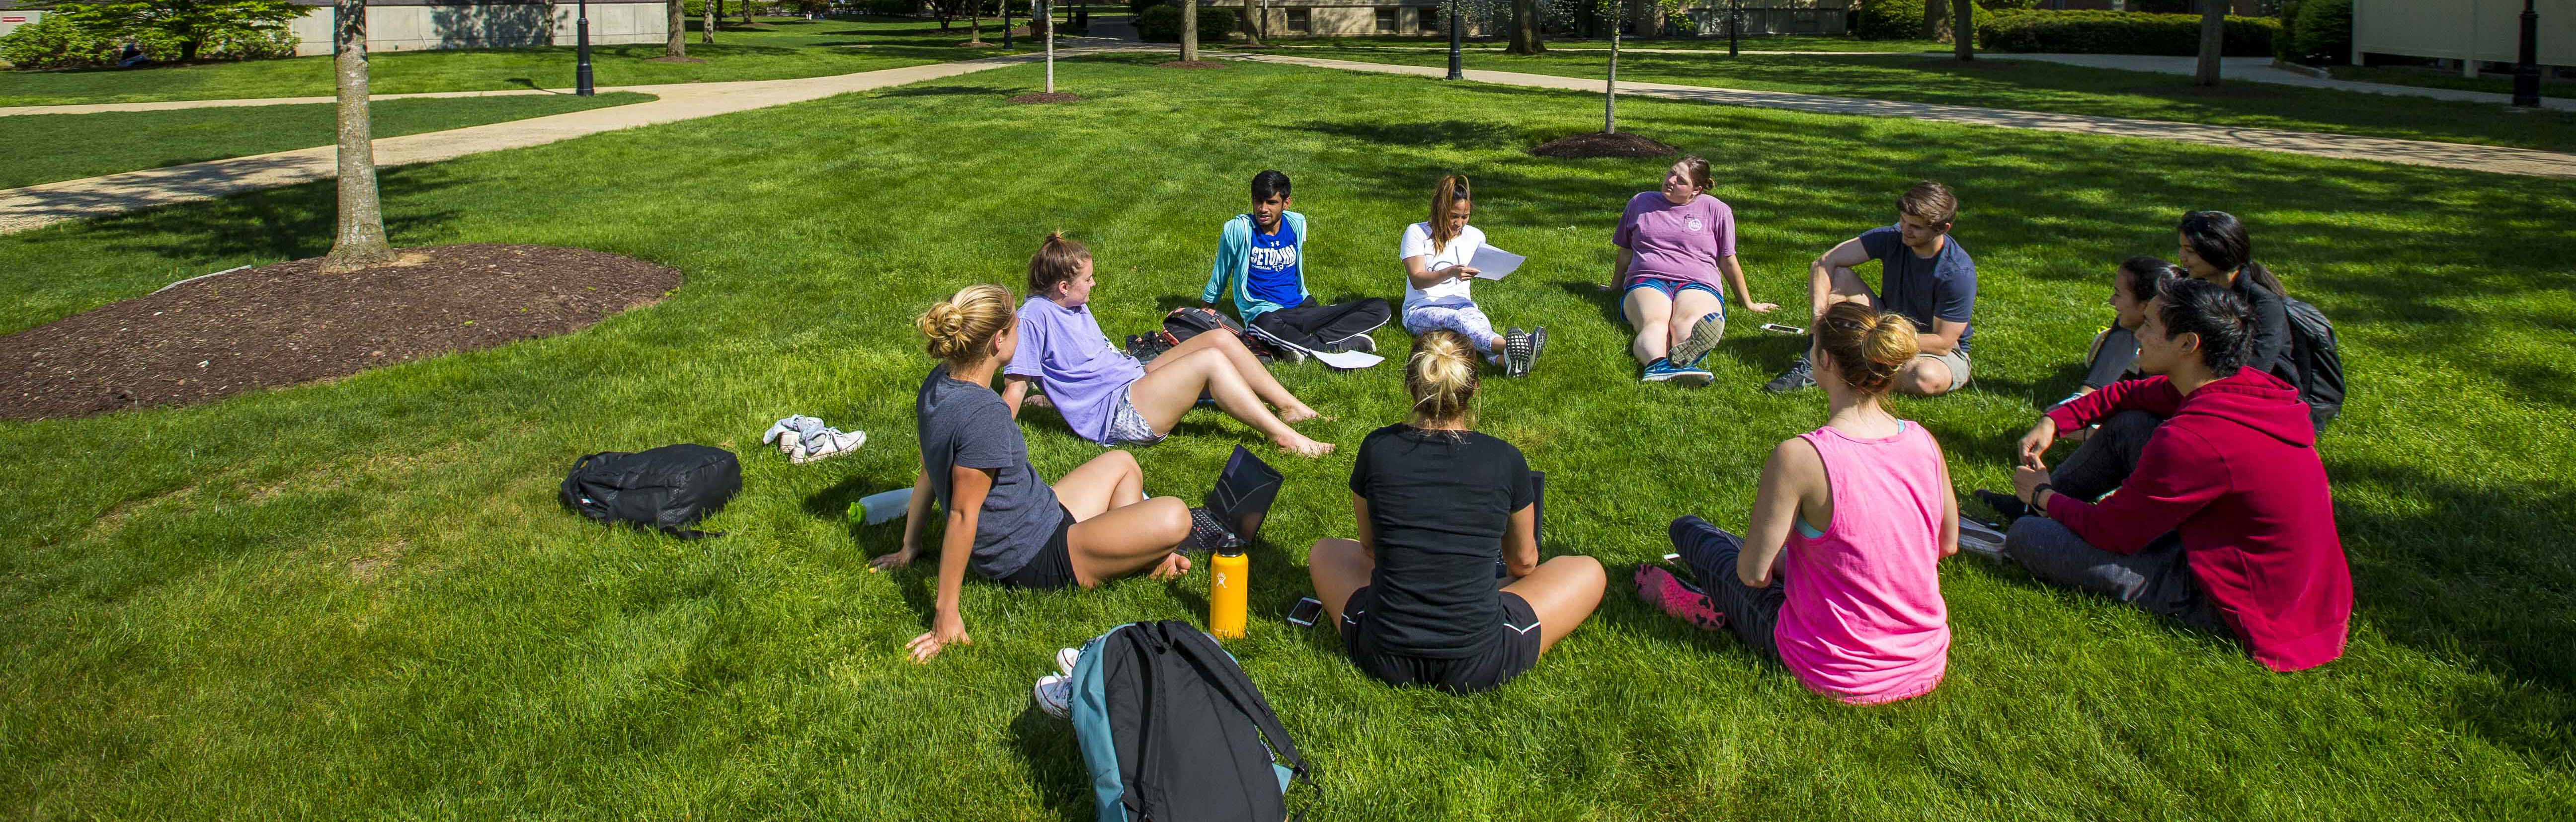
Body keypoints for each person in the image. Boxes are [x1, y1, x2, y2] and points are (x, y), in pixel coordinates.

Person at [1989, 277, 2351, 672]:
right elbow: (2129, 395)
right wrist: (2056, 420)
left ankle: (2033, 512)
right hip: (2294, 588)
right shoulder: (2240, 386)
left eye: (2150, 326)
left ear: (2188, 344)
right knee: (2130, 425)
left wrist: (2045, 496)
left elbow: (2112, 532)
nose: (2137, 334)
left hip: (2237, 601)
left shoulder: (2194, 438)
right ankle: (2037, 509)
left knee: (2028, 538)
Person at [1639, 302, 1957, 705]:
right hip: (1924, 660)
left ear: (1824, 360)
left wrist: (1777, 564)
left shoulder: (1801, 457)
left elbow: (1754, 575)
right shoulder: (1923, 441)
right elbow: (1946, 543)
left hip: (1831, 665)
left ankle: (1703, 600)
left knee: (1691, 533)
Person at [875, 284, 1199, 663]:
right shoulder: (985, 416)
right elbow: (963, 515)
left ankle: (1141, 555)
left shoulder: (938, 383)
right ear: (999, 341)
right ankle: (1141, 555)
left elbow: (929, 470)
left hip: (1041, 512)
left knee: (1122, 464)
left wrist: (910, 547)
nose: (1022, 332)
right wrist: (946, 615)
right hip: (1032, 557)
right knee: (1176, 516)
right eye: (1017, 327)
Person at [1304, 331, 1607, 693]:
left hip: (1383, 654)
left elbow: (1369, 548)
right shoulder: (1505, 459)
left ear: (1411, 385)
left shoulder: (1377, 448)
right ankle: (1477, 595)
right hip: (1480, 661)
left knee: (1325, 551)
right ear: (1474, 389)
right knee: (1589, 570)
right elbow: (1525, 563)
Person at [1006, 233, 1334, 458]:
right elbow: (1016, 386)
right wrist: (995, 446)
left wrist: (1054, 400)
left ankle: (1291, 407)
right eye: (1088, 279)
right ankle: (1284, 438)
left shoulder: (1071, 304)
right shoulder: (1034, 318)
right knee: (1210, 362)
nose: (1094, 283)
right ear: (1064, 286)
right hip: (1120, 413)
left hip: (1133, 379)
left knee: (1220, 338)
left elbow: (1073, 367)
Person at [1766, 180, 1975, 396]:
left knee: (1925, 378)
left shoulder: (1956, 273)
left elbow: (1942, 343)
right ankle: (1822, 354)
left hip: (1932, 351)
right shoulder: (1893, 237)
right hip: (1885, 322)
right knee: (1837, 276)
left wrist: (1874, 338)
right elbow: (1824, 263)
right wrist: (1819, 316)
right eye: (1903, 220)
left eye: (1916, 227)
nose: (1905, 230)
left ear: (1943, 229)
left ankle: (1841, 360)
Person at [1611, 156, 1776, 386]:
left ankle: (1683, 354)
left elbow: (1728, 261)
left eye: (1681, 181)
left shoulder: (1717, 210)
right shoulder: (1641, 202)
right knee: (1654, 323)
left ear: (1696, 190)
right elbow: (1626, 252)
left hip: (1698, 282)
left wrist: (1747, 303)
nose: (1671, 181)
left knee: (1687, 324)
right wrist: (1615, 287)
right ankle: (1657, 364)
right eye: (1671, 173)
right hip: (1649, 279)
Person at [1203, 169, 1393, 358]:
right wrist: (1203, 314)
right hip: (1269, 314)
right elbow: (1220, 275)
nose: (1263, 209)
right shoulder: (1238, 230)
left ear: (1286, 203)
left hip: (1304, 307)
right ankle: (1329, 349)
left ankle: (1302, 344)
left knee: (1379, 307)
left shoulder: (1297, 224)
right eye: (1258, 201)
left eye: (1271, 202)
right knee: (1263, 324)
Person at [1400, 174, 1545, 377]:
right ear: (1440, 209)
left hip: (1463, 304)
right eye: (1454, 216)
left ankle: (1508, 362)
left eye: (1465, 217)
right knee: (1457, 321)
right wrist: (1451, 272)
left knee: (1478, 325)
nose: (1459, 223)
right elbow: (1417, 280)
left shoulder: (1475, 236)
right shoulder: (1417, 233)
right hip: (1421, 309)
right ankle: (1517, 346)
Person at [2175, 210, 2298, 389]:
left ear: (2217, 253)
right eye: (2182, 248)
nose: (2182, 257)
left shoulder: (2265, 305)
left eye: (2190, 251)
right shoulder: (2195, 290)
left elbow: (2256, 368)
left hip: (2258, 395)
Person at [2048, 256, 2185, 410]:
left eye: (2118, 294)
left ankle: (2086, 400)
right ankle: (2085, 398)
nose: (2111, 301)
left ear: (2148, 305)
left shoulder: (2170, 366)